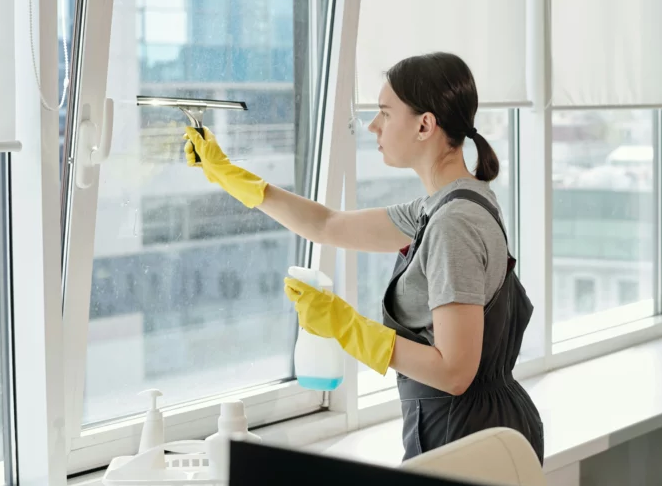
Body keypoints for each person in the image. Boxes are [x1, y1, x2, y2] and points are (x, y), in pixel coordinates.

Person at [182, 52, 544, 462]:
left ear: (425, 125)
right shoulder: (448, 205)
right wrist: (232, 176)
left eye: (386, 114)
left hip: (467, 438)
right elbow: (327, 224)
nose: (373, 125)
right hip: (481, 428)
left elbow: (454, 372)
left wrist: (346, 326)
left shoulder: (452, 224)